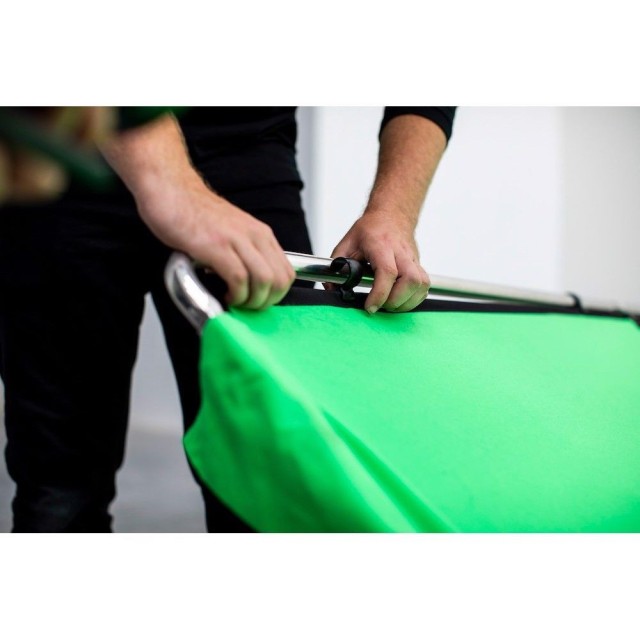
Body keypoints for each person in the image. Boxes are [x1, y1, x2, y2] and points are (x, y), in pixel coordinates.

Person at [0, 107, 455, 532]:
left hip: (248, 160)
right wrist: (172, 188)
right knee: (59, 484)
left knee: (268, 478)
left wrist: (393, 212)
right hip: (68, 155)